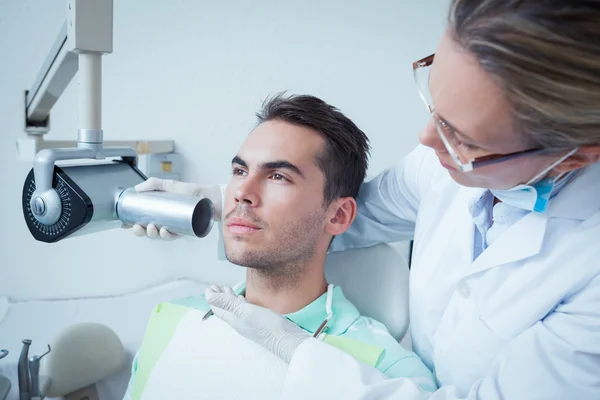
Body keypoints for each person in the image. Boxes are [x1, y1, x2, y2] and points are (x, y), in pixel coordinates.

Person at [130, 1, 600, 398]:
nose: (426, 140)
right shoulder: (173, 321)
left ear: (576, 157)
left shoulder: (386, 366)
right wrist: (217, 202)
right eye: (434, 106)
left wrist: (300, 354)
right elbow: (350, 213)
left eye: (461, 137)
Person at [122, 93, 436, 400]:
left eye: (278, 176)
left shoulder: (391, 371)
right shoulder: (172, 318)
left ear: (339, 215)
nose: (241, 192)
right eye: (240, 171)